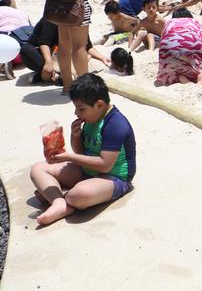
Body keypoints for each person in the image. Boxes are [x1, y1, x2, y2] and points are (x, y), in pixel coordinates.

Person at [29, 73, 136, 226]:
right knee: (38, 169)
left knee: (79, 195)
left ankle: (63, 196)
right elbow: (81, 152)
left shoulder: (115, 124)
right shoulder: (91, 118)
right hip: (88, 172)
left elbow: (105, 164)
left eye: (81, 109)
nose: (76, 113)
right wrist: (75, 135)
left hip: (114, 178)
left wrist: (68, 157)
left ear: (99, 105)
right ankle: (60, 203)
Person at [19, 18, 109, 85]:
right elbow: (44, 43)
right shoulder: (51, 19)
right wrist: (48, 62)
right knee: (25, 50)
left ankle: (49, 76)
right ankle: (52, 73)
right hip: (40, 53)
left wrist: (102, 58)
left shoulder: (80, 22)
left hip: (58, 56)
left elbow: (88, 46)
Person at [155, 7, 202, 85]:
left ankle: (181, 78)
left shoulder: (169, 23)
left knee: (170, 72)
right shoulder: (194, 22)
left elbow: (164, 41)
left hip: (169, 52)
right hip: (192, 49)